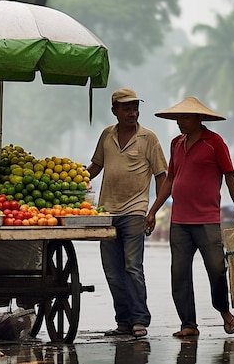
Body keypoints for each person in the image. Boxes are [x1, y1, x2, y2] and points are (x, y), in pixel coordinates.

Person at [145, 96, 234, 337]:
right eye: (178, 118)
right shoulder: (176, 144)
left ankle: (225, 312)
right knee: (179, 273)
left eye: (185, 117)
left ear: (199, 119)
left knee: (216, 269)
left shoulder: (215, 142)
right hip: (179, 221)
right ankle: (188, 324)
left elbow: (230, 177)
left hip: (207, 219)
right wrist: (153, 211)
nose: (180, 122)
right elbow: (170, 179)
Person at [87, 88, 168, 338]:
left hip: (134, 212)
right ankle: (123, 321)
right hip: (106, 213)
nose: (132, 113)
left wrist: (153, 211)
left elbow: (162, 177)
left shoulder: (148, 138)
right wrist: (73, 178)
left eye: (135, 107)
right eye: (126, 108)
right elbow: (96, 166)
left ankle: (139, 321)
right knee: (112, 272)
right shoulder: (106, 135)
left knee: (133, 267)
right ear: (115, 111)